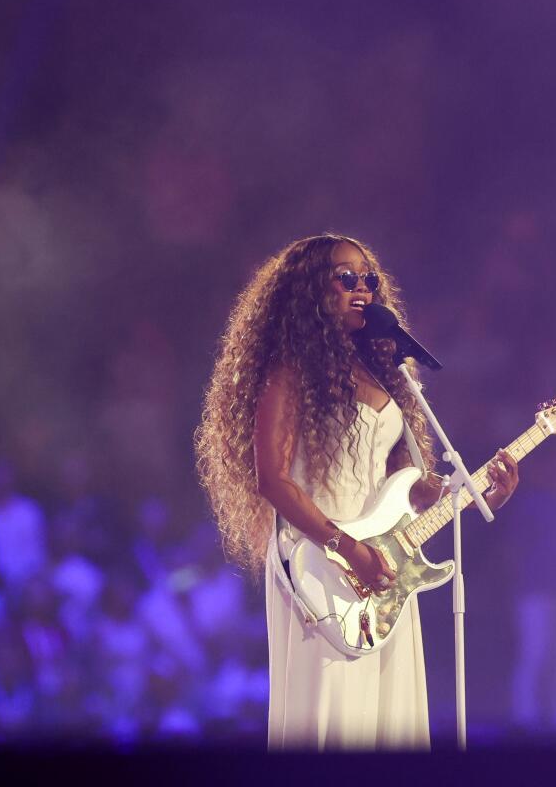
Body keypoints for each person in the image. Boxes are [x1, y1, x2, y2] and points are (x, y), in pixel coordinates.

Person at [195, 233, 518, 750]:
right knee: (335, 718)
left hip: (384, 566)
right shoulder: (289, 373)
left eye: (368, 279)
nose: (361, 288)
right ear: (311, 293)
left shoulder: (389, 373)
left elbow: (408, 492)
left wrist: (477, 494)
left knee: (391, 719)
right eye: (346, 278)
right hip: (321, 562)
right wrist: (349, 551)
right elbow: (272, 481)